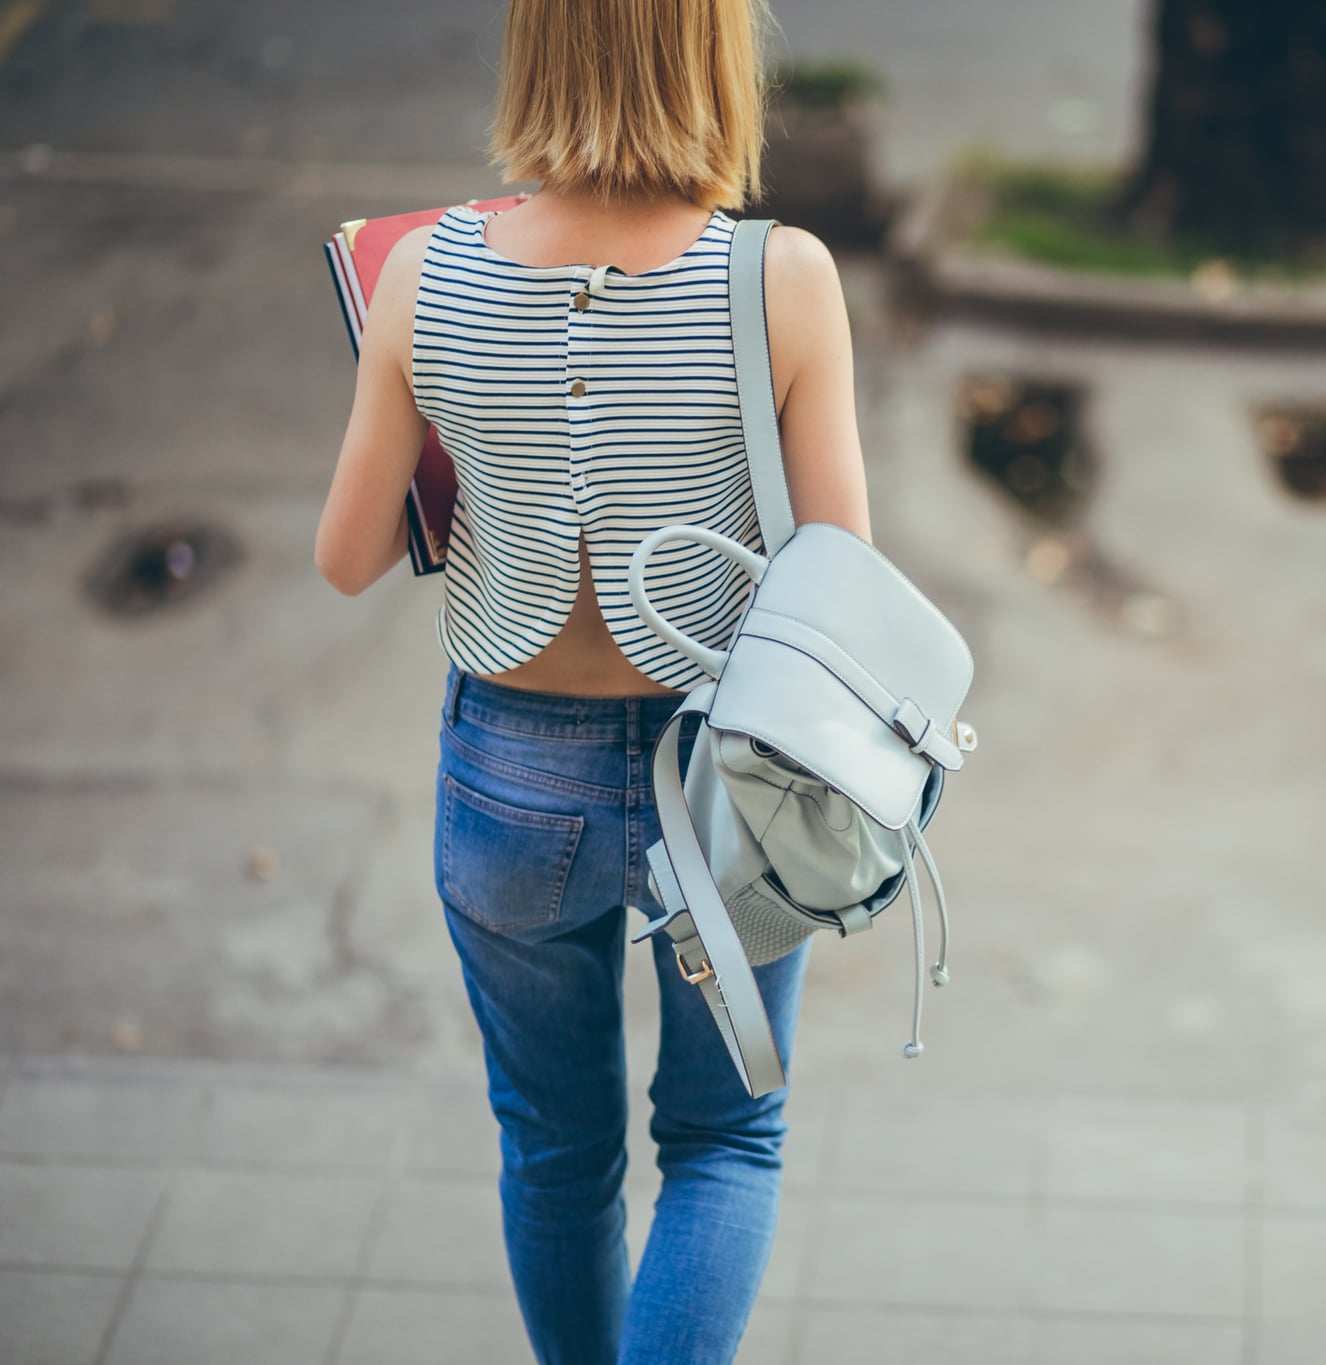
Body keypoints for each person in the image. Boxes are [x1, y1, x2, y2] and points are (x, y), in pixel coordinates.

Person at [313, 1, 868, 1359]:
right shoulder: (780, 278)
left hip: (508, 772)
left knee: (558, 1152)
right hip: (723, 776)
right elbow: (841, 566)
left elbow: (346, 557)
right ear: (714, 52)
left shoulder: (420, 275)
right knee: (725, 1140)